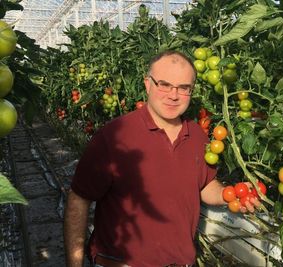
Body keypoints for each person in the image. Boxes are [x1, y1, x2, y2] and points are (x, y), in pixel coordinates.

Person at [64, 50, 260, 267]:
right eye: (164, 84)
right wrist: (74, 263)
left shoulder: (196, 136)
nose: (173, 95)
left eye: (183, 88)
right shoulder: (114, 136)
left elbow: (204, 186)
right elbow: (79, 198)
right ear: (148, 84)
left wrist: (229, 195)